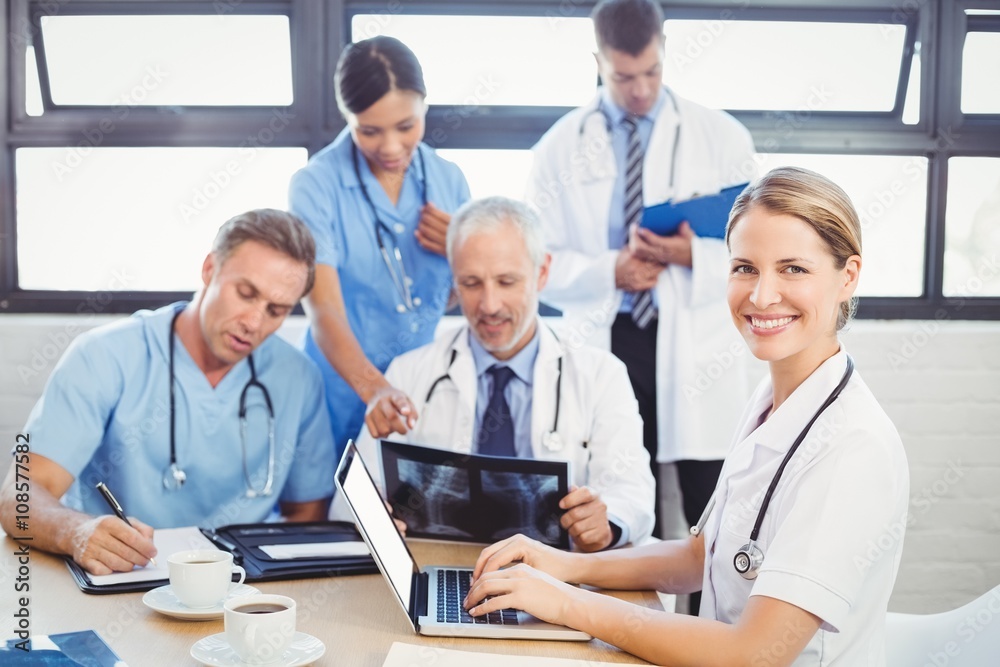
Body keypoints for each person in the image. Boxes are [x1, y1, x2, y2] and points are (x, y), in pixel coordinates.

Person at [464, 167, 910, 665]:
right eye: (745, 267)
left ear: (848, 277)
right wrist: (562, 565)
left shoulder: (853, 447)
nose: (761, 296)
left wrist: (566, 603)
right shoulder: (772, 400)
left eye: (793, 269)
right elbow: (702, 557)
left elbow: (754, 653)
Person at [525, 0, 758, 547]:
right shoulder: (558, 149)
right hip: (607, 339)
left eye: (651, 71)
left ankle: (710, 629)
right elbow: (539, 264)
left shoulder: (721, 137)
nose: (640, 90)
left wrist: (687, 255)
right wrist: (614, 270)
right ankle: (630, 630)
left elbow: (757, 253)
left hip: (695, 343)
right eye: (624, 76)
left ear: (664, 51)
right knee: (618, 505)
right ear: (598, 61)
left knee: (714, 514)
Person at [0, 210, 336, 575]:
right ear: (209, 269)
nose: (254, 323)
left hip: (244, 585)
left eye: (276, 310)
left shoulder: (298, 377)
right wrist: (76, 531)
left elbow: (307, 514)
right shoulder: (104, 356)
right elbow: (19, 494)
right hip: (123, 573)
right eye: (245, 294)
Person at [353, 196, 655, 552]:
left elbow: (631, 490)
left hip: (561, 573)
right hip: (440, 564)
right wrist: (375, 515)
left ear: (542, 272)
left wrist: (607, 525)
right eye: (471, 283)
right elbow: (355, 493)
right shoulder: (410, 372)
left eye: (507, 281)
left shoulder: (601, 374)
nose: (489, 305)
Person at [289, 36, 470, 464]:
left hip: (418, 388)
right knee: (328, 519)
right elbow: (325, 311)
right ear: (347, 117)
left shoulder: (450, 180)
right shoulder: (315, 185)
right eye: (369, 130)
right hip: (335, 389)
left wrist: (460, 256)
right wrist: (374, 388)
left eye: (406, 126)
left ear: (425, 104)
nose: (390, 147)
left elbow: (454, 298)